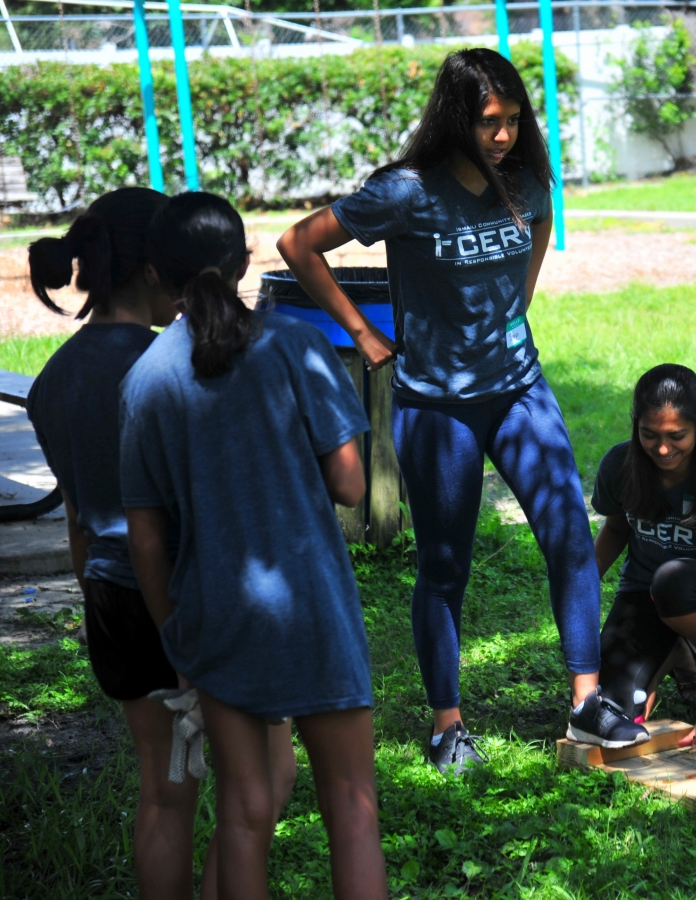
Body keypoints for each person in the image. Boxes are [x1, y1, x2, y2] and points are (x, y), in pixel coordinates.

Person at [276, 47, 644, 774]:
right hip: (437, 405)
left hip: (519, 388)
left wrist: (517, 306)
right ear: (456, 119)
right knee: (445, 566)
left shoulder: (527, 181)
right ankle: (449, 727)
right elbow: (299, 244)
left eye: (512, 120)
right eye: (488, 122)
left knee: (570, 533)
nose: (503, 134)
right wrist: (363, 333)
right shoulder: (405, 192)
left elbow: (539, 229)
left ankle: (587, 699)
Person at [25, 187, 295, 900]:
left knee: (164, 790)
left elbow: (82, 524)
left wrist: (102, 602)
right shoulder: (165, 367)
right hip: (189, 598)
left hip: (112, 601)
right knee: (269, 777)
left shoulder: (51, 382)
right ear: (152, 268)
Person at [119, 192, 387, 900]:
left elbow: (144, 537)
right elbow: (353, 487)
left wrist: (175, 629)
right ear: (244, 261)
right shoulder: (295, 344)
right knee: (352, 808)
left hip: (217, 618)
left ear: (157, 273)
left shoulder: (145, 382)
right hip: (314, 609)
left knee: (242, 817)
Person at [593, 364, 696, 750]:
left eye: (676, 436)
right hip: (643, 592)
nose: (663, 449)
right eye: (650, 435)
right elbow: (617, 529)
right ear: (636, 426)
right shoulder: (619, 466)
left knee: (672, 582)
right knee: (617, 709)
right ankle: (680, 651)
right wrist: (579, 588)